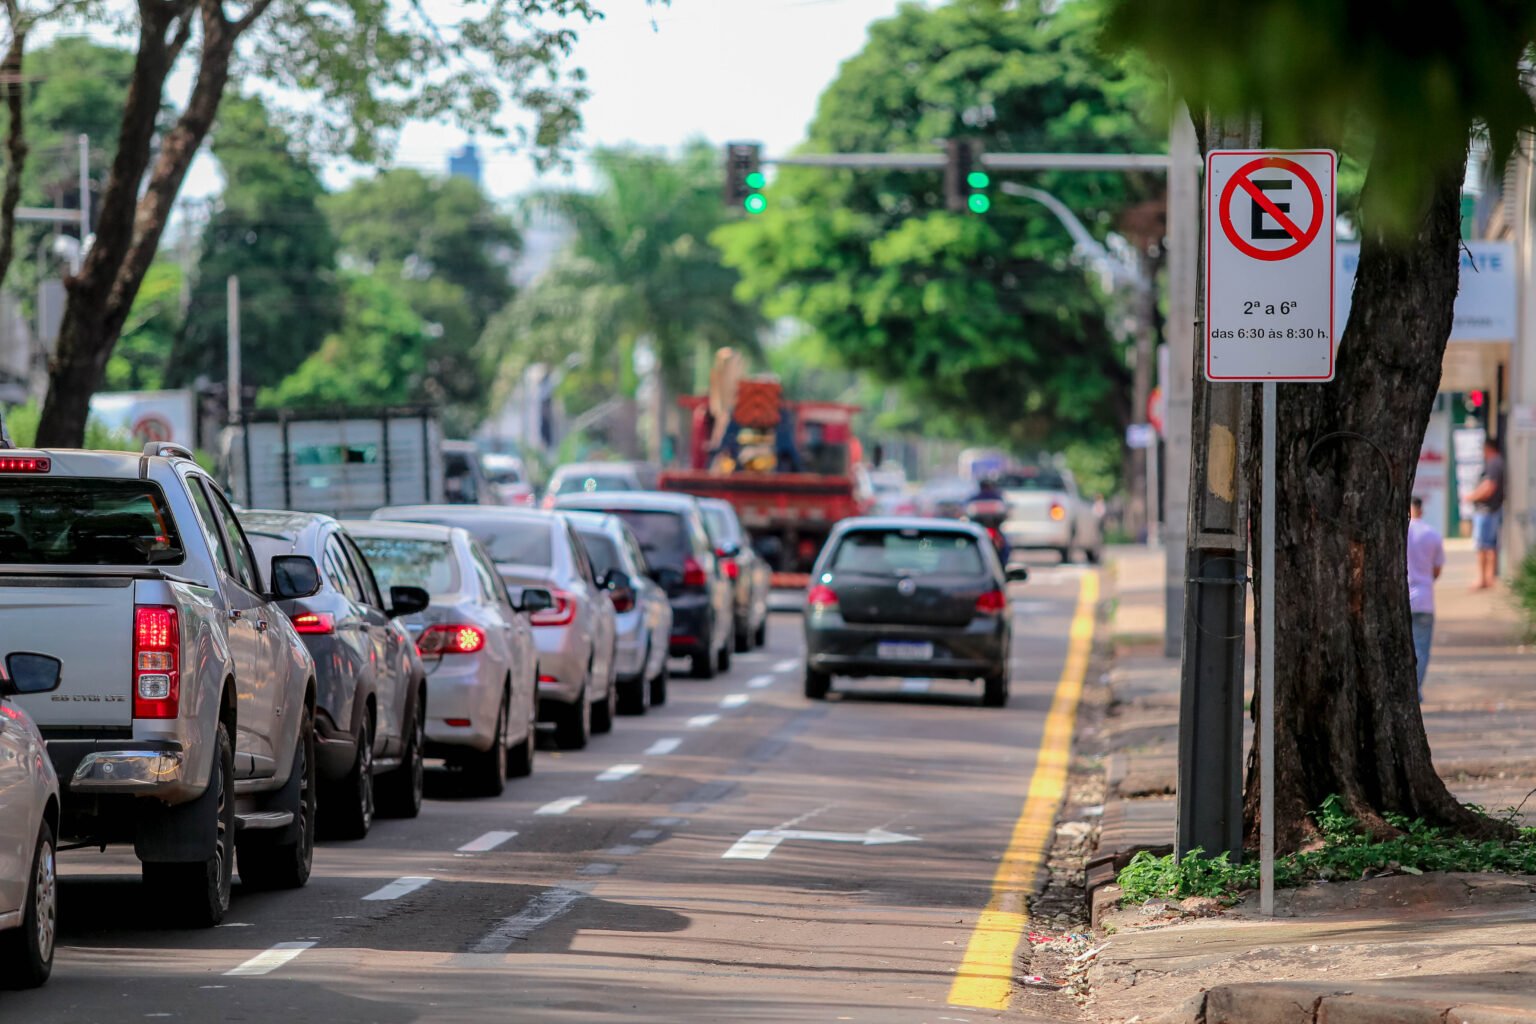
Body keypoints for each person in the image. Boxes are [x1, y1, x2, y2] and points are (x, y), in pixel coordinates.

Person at [1406, 497, 1445, 700]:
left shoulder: (1397, 533)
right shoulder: (1432, 534)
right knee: (1421, 648)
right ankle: (1414, 689)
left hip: (1400, 600)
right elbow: (1436, 570)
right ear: (1421, 511)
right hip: (1424, 600)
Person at [1467, 436, 1505, 590]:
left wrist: (1472, 496)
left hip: (1487, 511)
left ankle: (1484, 579)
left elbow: (1489, 487)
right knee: (1490, 545)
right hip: (1492, 510)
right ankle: (1488, 578)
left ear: (1488, 448)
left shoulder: (1494, 463)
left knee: (1484, 546)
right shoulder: (1498, 463)